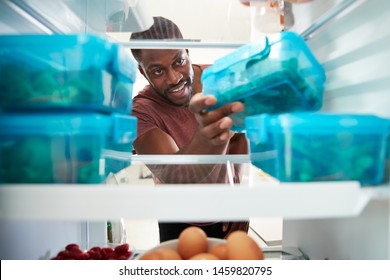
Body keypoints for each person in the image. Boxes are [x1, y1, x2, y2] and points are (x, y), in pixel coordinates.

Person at [130, 16, 249, 242]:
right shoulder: (141, 112)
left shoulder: (217, 79)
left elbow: (237, 139)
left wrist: (238, 197)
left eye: (178, 62)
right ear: (143, 72)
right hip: (176, 221)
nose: (174, 78)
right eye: (157, 71)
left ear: (187, 51)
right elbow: (176, 176)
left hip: (228, 214)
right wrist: (209, 133)